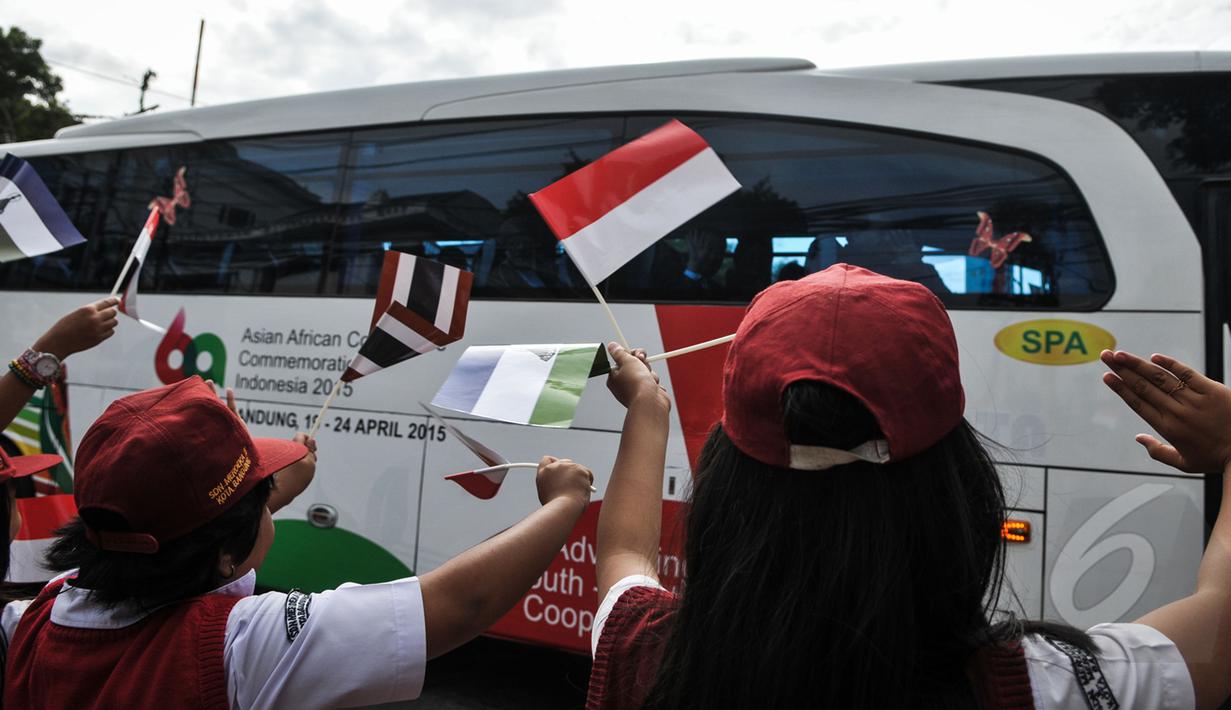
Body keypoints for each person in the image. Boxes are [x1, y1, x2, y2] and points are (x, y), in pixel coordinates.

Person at [587, 264, 1199, 709]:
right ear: (958, 490)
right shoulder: (1055, 685)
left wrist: (647, 407)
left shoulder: (644, 654)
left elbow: (623, 554)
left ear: (724, 493)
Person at [4, 375, 594, 708]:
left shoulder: (36, 615)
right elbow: (458, 604)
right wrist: (566, 502)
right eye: (263, 497)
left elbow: (191, 541)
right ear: (224, 554)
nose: (273, 497)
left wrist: (259, 493)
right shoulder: (242, 647)